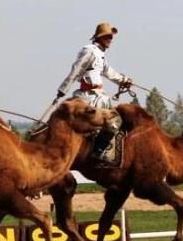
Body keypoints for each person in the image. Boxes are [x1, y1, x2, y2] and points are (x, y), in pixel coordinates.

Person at [56, 22, 130, 161]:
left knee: (114, 122)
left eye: (111, 37)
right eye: (108, 36)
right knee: (115, 121)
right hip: (88, 98)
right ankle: (97, 152)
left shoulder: (101, 54)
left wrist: (124, 80)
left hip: (99, 96)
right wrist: (63, 89)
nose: (110, 39)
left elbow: (109, 72)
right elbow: (76, 70)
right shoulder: (89, 50)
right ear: (99, 37)